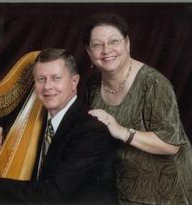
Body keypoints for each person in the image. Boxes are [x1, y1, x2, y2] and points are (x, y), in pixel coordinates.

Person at [0, 48, 118, 204]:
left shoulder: (90, 130)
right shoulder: (43, 123)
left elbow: (51, 196)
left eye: (56, 78)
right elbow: (47, 171)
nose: (48, 86)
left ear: (74, 82)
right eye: (41, 79)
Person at [80, 12, 192, 205]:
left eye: (114, 41)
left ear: (127, 43)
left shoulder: (154, 84)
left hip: (164, 191)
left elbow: (171, 145)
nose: (106, 50)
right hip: (122, 187)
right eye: (97, 45)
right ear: (89, 52)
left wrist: (122, 132)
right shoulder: (92, 85)